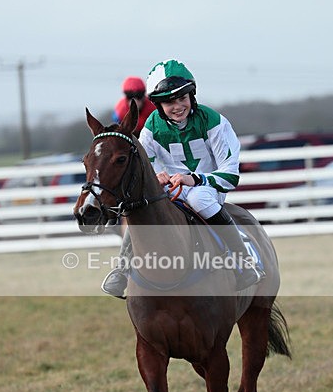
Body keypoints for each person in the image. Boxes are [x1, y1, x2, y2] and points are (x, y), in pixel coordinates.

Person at [102, 59, 264, 298]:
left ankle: (243, 262)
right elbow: (144, 164)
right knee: (139, 206)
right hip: (169, 190)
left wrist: (194, 179)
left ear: (192, 95)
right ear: (158, 104)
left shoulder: (214, 122)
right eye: (169, 101)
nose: (177, 106)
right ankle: (121, 270)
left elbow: (230, 175)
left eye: (182, 98)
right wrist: (156, 176)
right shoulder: (151, 127)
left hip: (207, 188)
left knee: (199, 199)